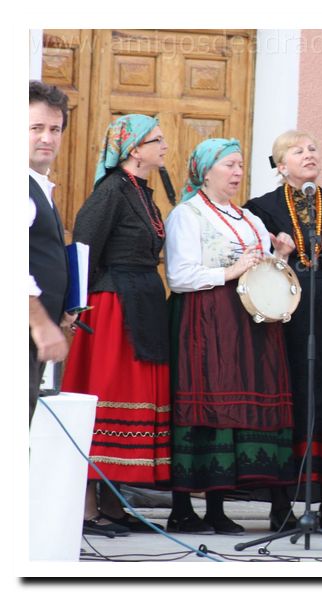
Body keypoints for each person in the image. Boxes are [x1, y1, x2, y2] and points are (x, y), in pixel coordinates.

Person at [164, 138, 297, 535]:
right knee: (206, 405)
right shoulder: (187, 215)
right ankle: (183, 508)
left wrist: (280, 257)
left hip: (246, 323)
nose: (238, 173)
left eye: (240, 165)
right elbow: (179, 276)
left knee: (235, 408)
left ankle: (218, 508)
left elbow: (261, 271)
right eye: (229, 165)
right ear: (206, 172)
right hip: (205, 319)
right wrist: (230, 271)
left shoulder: (249, 219)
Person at [245, 130, 322, 533]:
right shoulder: (260, 209)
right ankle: (281, 505)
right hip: (286, 316)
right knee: (290, 399)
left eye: (312, 148)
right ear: (281, 166)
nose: (309, 154)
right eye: (298, 151)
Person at [61, 115, 172, 536]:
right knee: (108, 395)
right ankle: (87, 509)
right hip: (112, 306)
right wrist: (76, 306)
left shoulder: (142, 191)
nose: (164, 146)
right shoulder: (110, 191)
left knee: (133, 394)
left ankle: (114, 506)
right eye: (156, 140)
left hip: (142, 300)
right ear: (134, 150)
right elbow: (85, 248)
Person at [29, 80, 76, 426]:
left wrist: (62, 308)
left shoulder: (39, 187)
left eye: (55, 129)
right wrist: (41, 323)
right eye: (36, 128)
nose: (47, 137)